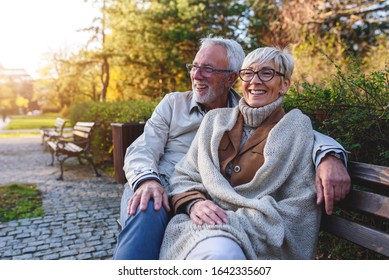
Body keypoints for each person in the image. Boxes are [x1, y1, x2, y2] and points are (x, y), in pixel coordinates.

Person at [113, 37, 350, 260]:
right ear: (242, 77)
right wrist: (148, 181)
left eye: (208, 68)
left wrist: (330, 155)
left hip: (206, 207)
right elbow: (142, 149)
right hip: (161, 188)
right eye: (194, 66)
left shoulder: (249, 110)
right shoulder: (177, 104)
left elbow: (296, 130)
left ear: (230, 78)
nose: (196, 74)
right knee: (146, 211)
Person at [160, 45, 321, 260]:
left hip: (257, 234)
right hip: (199, 227)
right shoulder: (214, 121)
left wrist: (230, 221)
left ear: (284, 85)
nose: (255, 80)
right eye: (248, 73)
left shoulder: (297, 128)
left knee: (221, 256)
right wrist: (194, 203)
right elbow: (184, 175)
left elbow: (300, 205)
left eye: (267, 73)